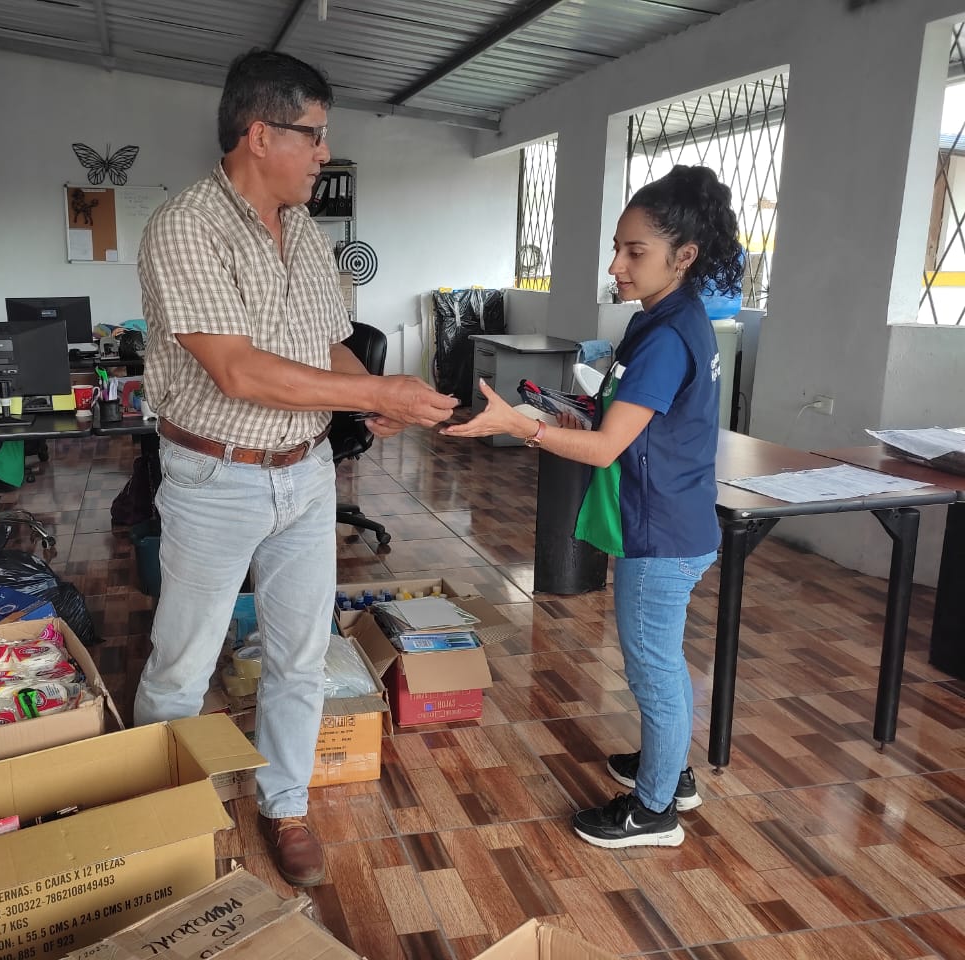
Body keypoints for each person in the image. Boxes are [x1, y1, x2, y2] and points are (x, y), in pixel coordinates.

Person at [134, 49, 458, 886]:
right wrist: (373, 389)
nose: (325, 153)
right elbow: (238, 371)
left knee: (302, 655)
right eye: (312, 135)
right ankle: (161, 815)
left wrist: (371, 400)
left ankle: (284, 803)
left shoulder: (306, 233)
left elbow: (328, 345)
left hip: (306, 474)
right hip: (216, 476)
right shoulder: (186, 227)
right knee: (182, 664)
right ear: (259, 134)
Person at [444, 165, 742, 849]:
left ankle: (655, 811)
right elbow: (624, 420)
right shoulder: (665, 318)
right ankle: (671, 770)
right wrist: (565, 415)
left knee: (653, 667)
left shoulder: (666, 335)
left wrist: (520, 427)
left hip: (660, 533)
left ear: (684, 256)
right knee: (660, 661)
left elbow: (607, 449)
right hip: (673, 518)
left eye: (635, 252)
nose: (616, 266)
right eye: (617, 248)